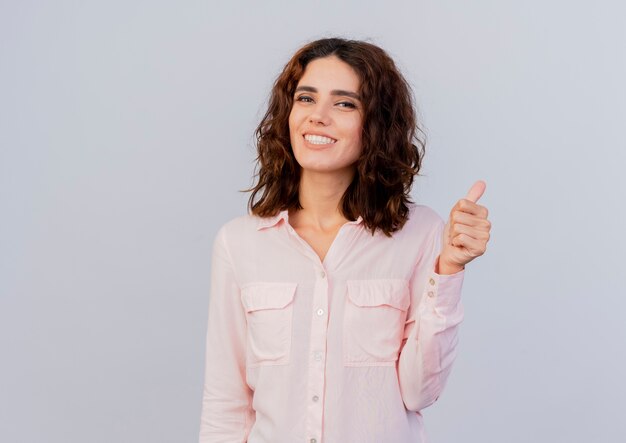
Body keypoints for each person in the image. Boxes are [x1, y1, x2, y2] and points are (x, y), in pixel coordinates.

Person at [198, 37, 491, 443]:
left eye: (344, 103)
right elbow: (226, 404)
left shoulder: (420, 234)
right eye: (305, 99)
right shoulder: (239, 243)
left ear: (376, 124)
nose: (317, 117)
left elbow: (419, 391)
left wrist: (449, 270)